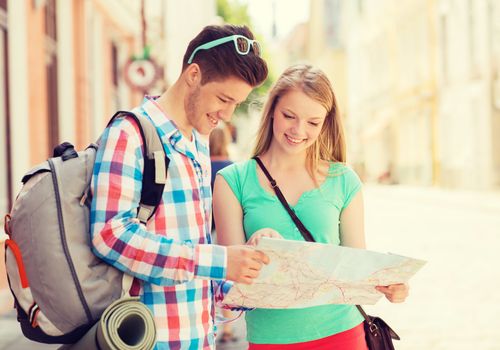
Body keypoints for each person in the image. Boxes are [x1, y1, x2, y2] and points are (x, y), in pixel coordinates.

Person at [90, 24, 269, 349]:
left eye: (236, 105)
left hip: (197, 338)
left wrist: (242, 277)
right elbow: (110, 236)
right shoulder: (129, 134)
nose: (227, 115)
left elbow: (193, 260)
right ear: (193, 75)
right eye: (224, 99)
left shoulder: (198, 143)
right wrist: (219, 260)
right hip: (147, 339)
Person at [213, 64, 409, 349]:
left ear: (326, 123)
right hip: (272, 340)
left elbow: (356, 266)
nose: (298, 130)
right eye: (289, 116)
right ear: (271, 111)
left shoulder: (343, 180)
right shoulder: (233, 181)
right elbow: (229, 285)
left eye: (313, 122)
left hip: (343, 335)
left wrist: (391, 285)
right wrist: (254, 250)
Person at [208, 125, 239, 344]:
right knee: (226, 275)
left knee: (206, 276)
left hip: (204, 228)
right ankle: (227, 329)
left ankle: (210, 325)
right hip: (224, 227)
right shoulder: (231, 168)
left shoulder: (203, 165)